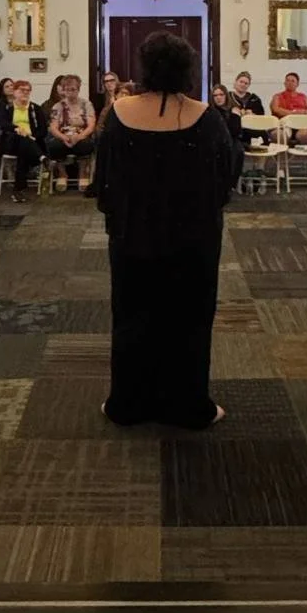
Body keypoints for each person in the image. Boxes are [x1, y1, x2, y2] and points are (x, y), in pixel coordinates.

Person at [93, 30, 235, 431]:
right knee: (189, 319)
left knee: (132, 316)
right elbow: (224, 180)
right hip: (193, 239)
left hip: (132, 236)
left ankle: (128, 403)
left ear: (144, 68)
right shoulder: (207, 118)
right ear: (187, 69)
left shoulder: (119, 114)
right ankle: (189, 406)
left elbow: (104, 183)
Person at [0, 78, 46, 201]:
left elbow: (43, 130)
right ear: (14, 92)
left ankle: (18, 190)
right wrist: (16, 128)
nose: (25, 93)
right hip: (10, 143)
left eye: (28, 91)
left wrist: (31, 136)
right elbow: (1, 123)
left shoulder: (36, 109)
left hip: (30, 143)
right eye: (22, 90)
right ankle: (43, 158)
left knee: (23, 148)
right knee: (21, 139)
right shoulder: (7, 108)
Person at [44, 74, 96, 189]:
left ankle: (83, 174)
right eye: (67, 89)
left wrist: (78, 137)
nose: (70, 92)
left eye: (73, 89)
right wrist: (64, 137)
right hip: (64, 137)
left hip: (81, 136)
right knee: (53, 145)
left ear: (78, 89)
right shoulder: (57, 106)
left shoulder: (86, 104)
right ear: (63, 90)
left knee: (86, 145)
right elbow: (53, 127)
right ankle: (62, 174)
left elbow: (91, 126)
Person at [209, 83, 245, 190]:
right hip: (216, 140)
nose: (218, 98)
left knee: (237, 149)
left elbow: (235, 131)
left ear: (226, 96)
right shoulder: (210, 112)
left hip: (232, 140)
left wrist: (235, 116)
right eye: (215, 96)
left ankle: (230, 183)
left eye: (221, 94)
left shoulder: (233, 111)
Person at [270, 71, 307, 146]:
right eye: (287, 80)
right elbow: (276, 109)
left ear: (297, 84)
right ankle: (282, 157)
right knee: (277, 134)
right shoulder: (277, 96)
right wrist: (293, 113)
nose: (290, 82)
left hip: (301, 126)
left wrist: (301, 112)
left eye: (293, 81)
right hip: (283, 126)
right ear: (284, 83)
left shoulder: (303, 97)